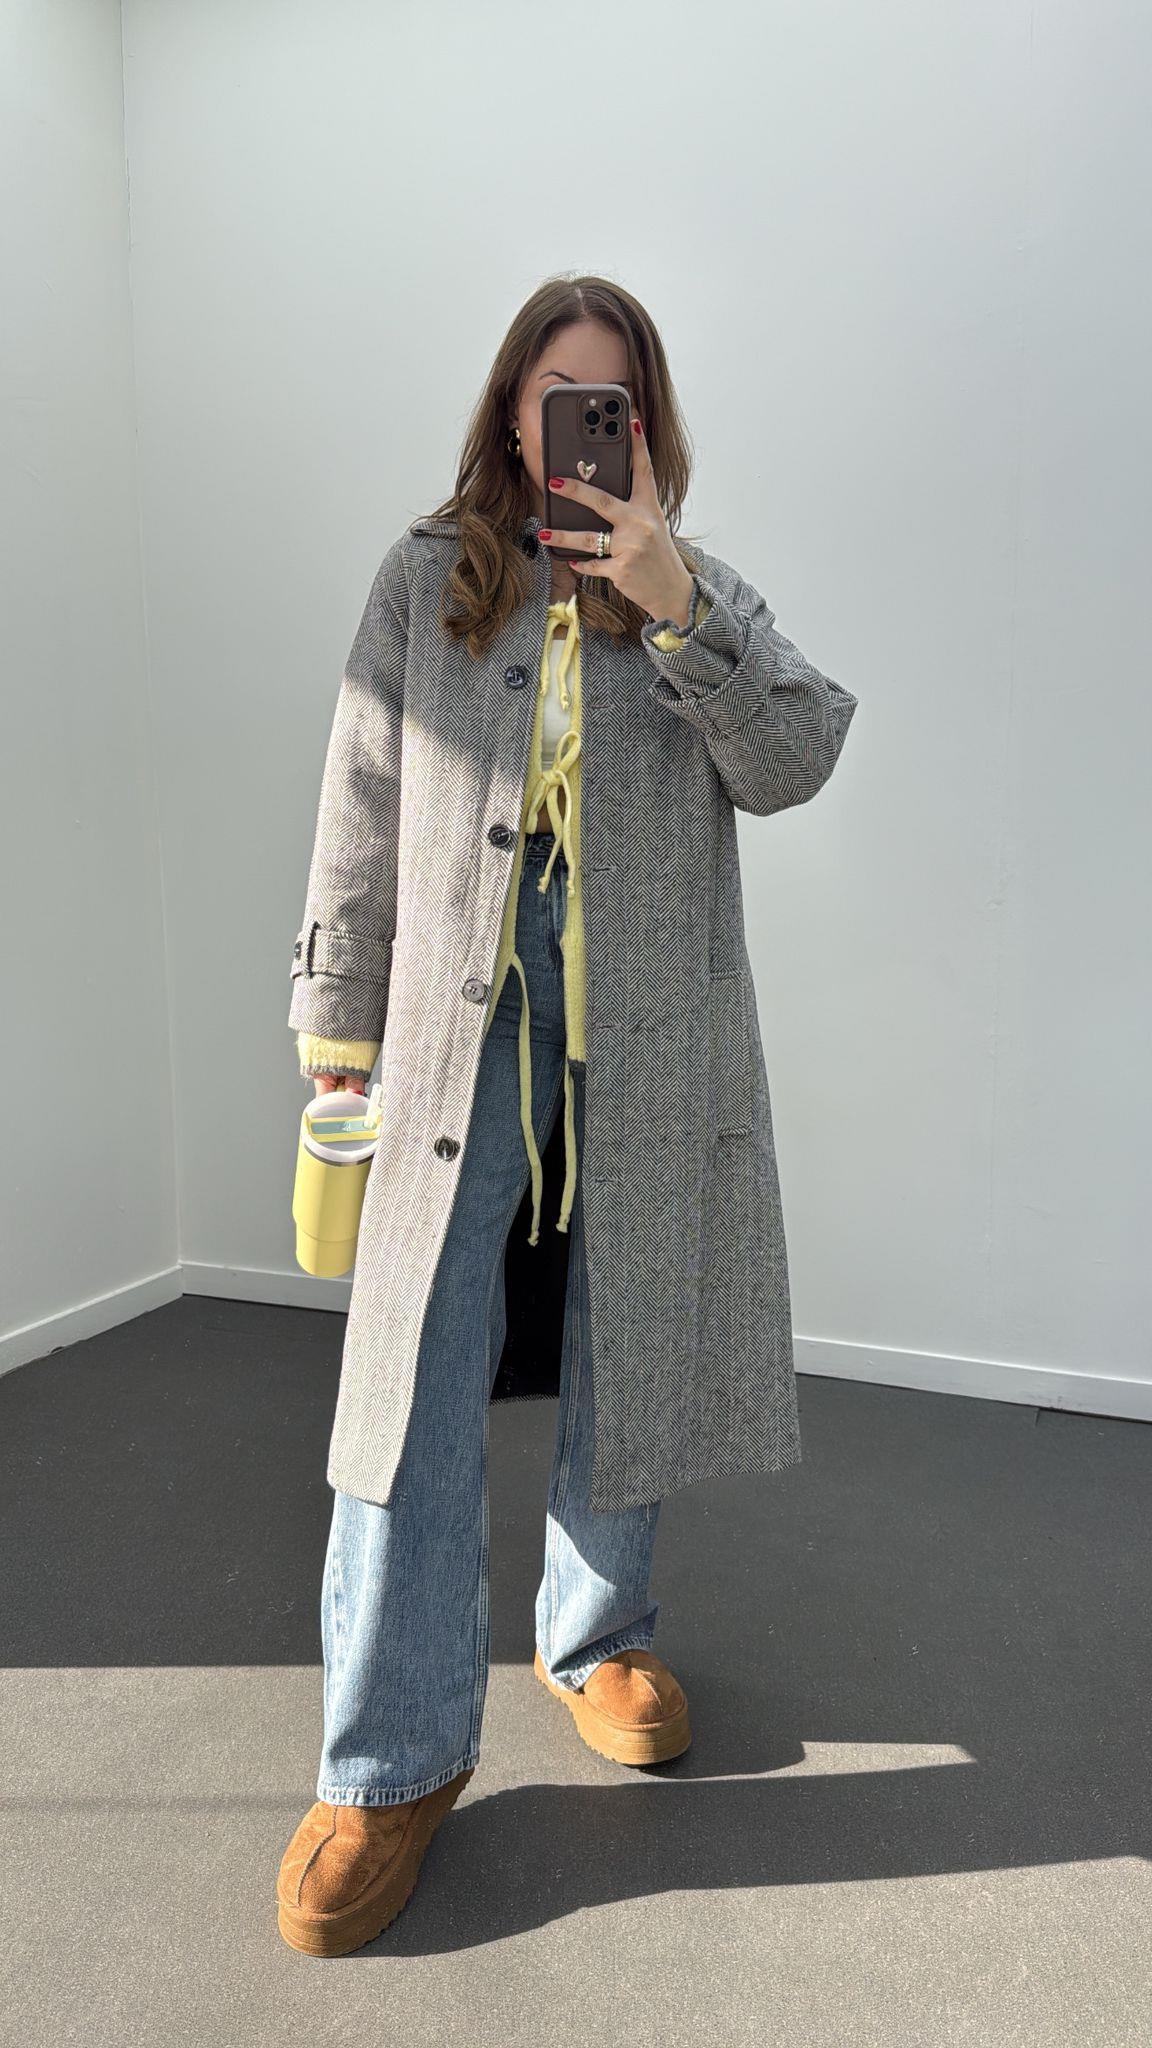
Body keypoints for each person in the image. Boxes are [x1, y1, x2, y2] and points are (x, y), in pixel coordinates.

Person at [276, 275, 858, 1957]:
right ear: (512, 411)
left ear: (644, 425)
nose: (578, 427)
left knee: (632, 1332)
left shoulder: (691, 589)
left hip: (647, 1039)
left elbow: (800, 756)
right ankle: (386, 1761)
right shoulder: (426, 575)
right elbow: (361, 793)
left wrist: (676, 606)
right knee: (410, 1376)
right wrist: (337, 1026)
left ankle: (596, 1635)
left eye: (611, 399)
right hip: (458, 1030)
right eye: (554, 395)